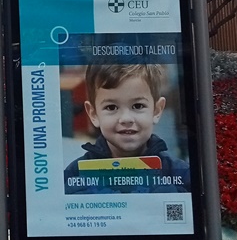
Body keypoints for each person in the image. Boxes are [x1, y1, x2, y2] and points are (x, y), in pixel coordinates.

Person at [64, 63, 190, 195]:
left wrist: (175, 197)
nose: (126, 119)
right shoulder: (73, 176)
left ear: (157, 110)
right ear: (93, 114)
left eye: (138, 106)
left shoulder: (181, 174)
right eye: (111, 107)